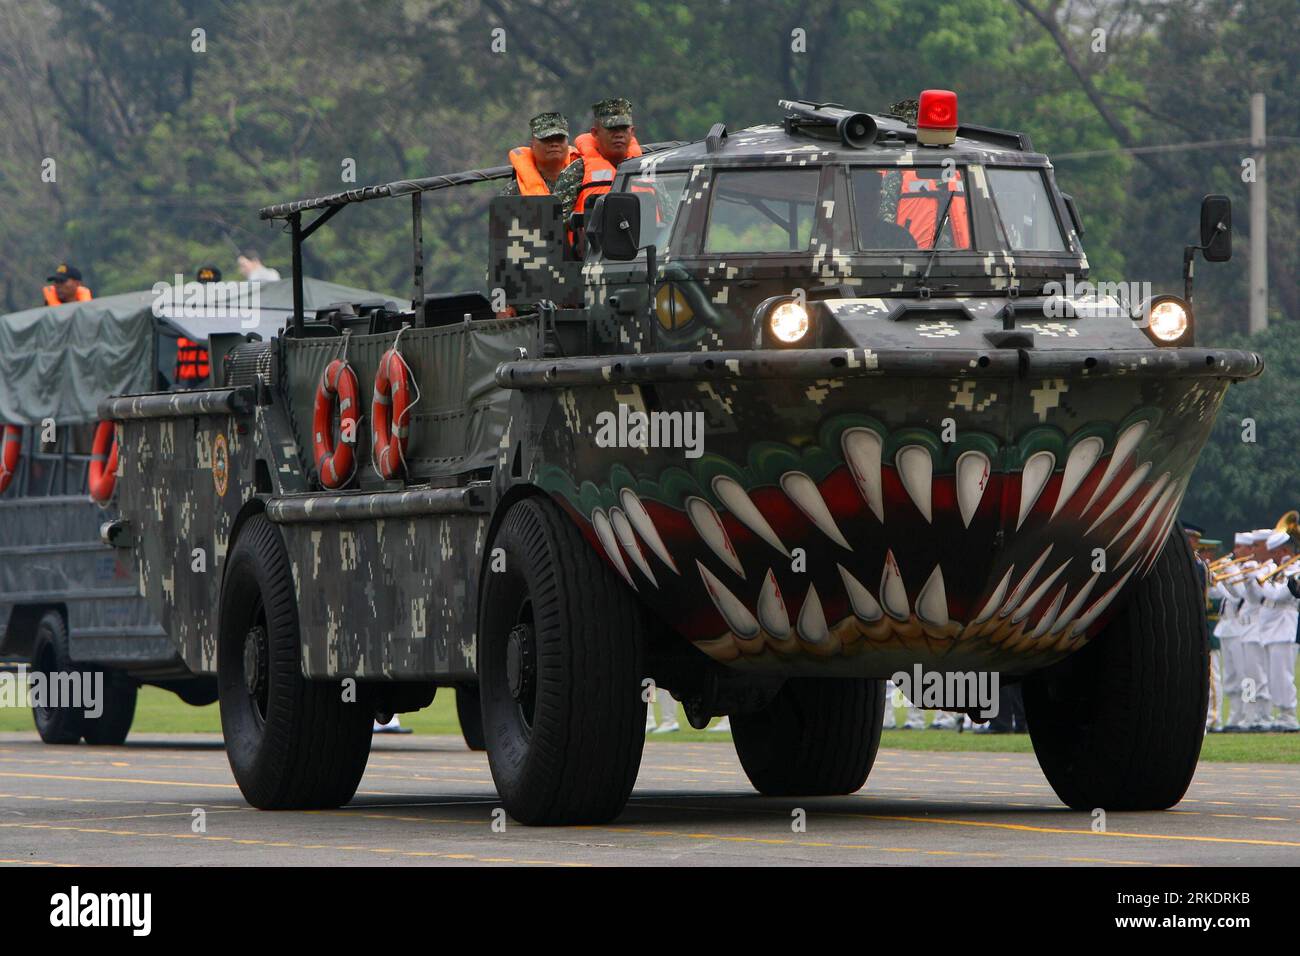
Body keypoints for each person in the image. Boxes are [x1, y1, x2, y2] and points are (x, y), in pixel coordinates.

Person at [552, 98, 643, 219]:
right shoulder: (578, 171)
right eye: (611, 129)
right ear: (595, 133)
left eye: (623, 128)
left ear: (632, 132)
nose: (619, 134)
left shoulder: (647, 169)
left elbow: (668, 216)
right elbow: (555, 221)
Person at [1210, 531, 1255, 731]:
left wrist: (1225, 579)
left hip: (1241, 628)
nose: (1235, 551)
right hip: (1227, 628)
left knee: (1246, 676)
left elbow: (1240, 596)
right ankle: (1235, 716)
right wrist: (1215, 580)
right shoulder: (1235, 570)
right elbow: (1217, 595)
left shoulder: (1248, 569)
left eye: (1240, 547)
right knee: (1230, 677)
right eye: (1236, 547)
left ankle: (1249, 715)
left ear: (1250, 550)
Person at [502, 112, 579, 196]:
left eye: (560, 138)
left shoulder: (582, 181)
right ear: (532, 145)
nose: (554, 144)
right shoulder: (515, 191)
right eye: (546, 139)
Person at [851, 172, 918, 250]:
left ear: (880, 199)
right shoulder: (839, 237)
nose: (867, 204)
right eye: (863, 199)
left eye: (872, 198)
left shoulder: (899, 237)